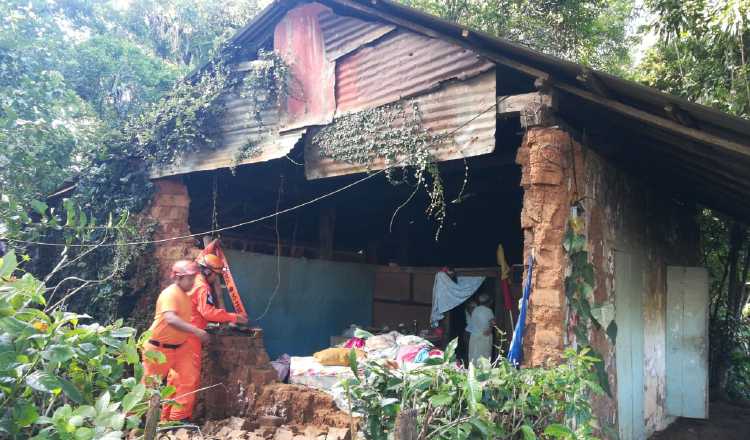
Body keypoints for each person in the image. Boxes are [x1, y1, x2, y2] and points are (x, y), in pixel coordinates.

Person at [168, 253, 249, 421]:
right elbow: (208, 312)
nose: (216, 280)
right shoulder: (202, 287)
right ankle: (178, 420)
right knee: (188, 378)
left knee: (174, 378)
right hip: (190, 337)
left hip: (178, 335)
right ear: (209, 272)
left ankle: (165, 418)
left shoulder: (192, 283)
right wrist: (234, 317)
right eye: (216, 275)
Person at [141, 260, 209, 422]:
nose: (192, 282)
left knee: (188, 379)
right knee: (150, 386)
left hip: (180, 347)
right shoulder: (170, 294)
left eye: (193, 278)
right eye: (189, 278)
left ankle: (178, 419)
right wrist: (197, 331)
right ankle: (137, 421)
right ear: (178, 278)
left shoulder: (185, 296)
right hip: (158, 348)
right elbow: (170, 318)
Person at [467, 293, 495, 364]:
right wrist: (490, 329)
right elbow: (492, 323)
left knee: (474, 356)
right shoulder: (489, 311)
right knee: (484, 357)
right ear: (488, 302)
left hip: (474, 336)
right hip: (484, 337)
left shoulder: (475, 310)